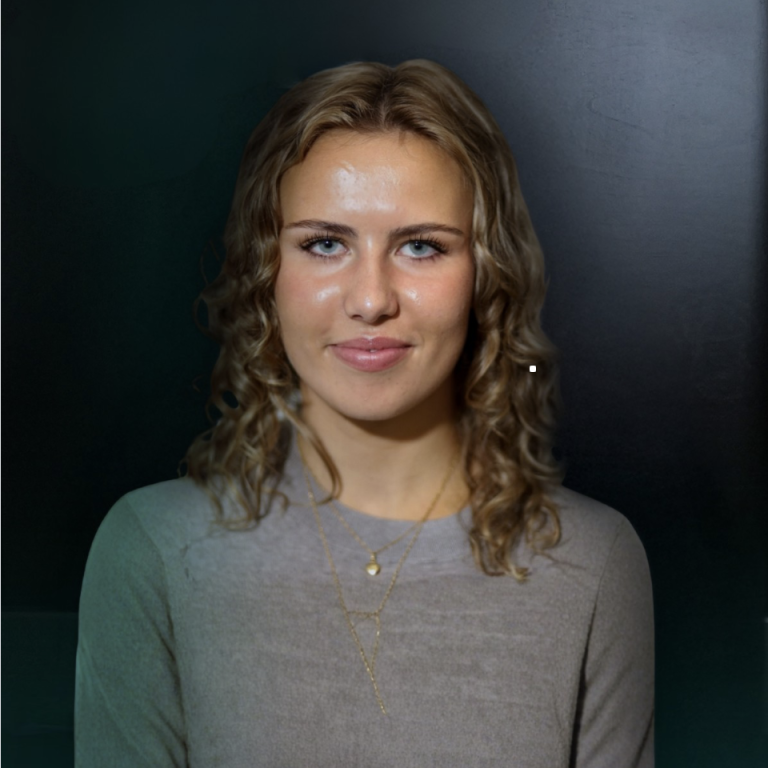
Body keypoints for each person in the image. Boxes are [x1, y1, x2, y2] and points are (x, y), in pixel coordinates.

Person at [74, 59, 654, 767]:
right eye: (325, 244)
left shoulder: (592, 561)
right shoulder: (155, 550)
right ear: (266, 271)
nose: (372, 299)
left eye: (421, 246)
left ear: (486, 273)